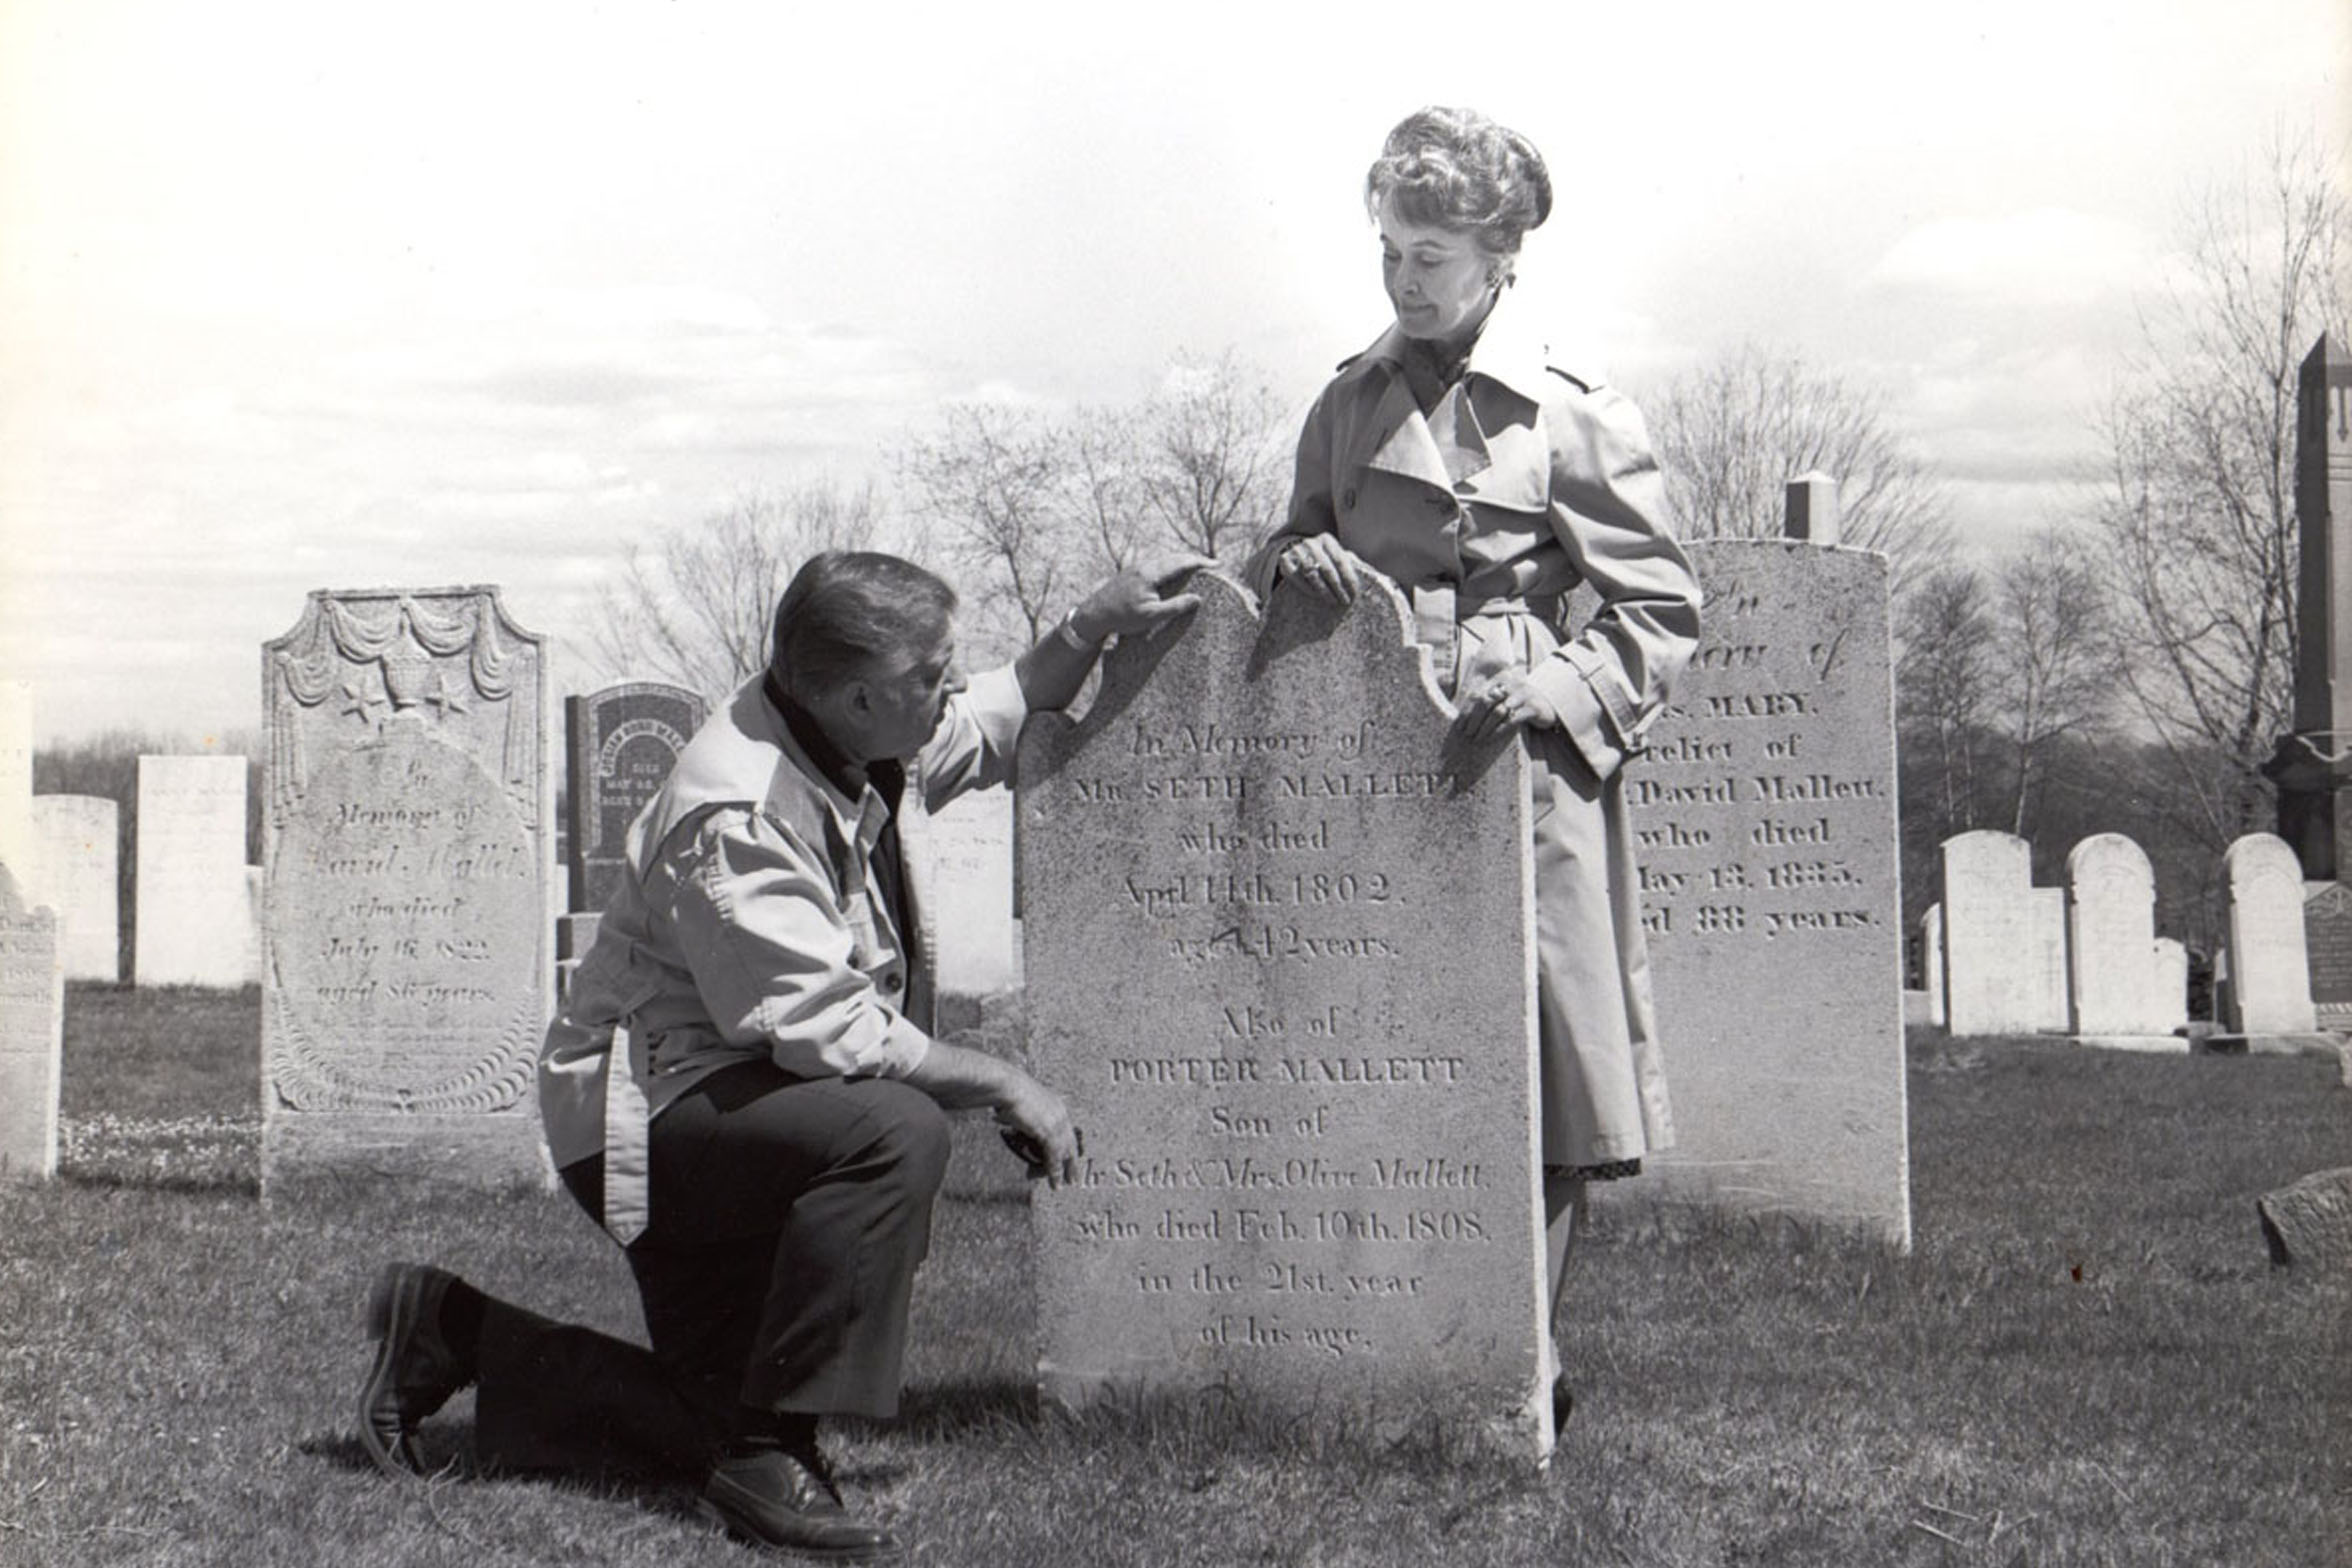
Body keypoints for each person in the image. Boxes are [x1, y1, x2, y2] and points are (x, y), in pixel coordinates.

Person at [357, 549, 1200, 1562]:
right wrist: (1009, 1081)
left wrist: (1090, 623)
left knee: (708, 1418)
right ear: (856, 695)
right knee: (894, 1130)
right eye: (933, 671)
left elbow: (996, 712)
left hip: (729, 1093)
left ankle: (452, 1325)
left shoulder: (842, 733)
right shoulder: (742, 809)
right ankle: (774, 1449)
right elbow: (833, 1031)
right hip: (642, 1117)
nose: (950, 684)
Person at [1244, 106, 1702, 1424]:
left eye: (1431, 254)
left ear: (1501, 260)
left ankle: (1522, 1364)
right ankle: (1389, 1344)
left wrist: (1557, 685)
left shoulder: (1570, 414)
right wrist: (1298, 566)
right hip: (1374, 772)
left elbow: (1660, 609)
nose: (1404, 278)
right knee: (1381, 1065)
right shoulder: (1346, 404)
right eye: (1390, 249)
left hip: (1528, 775)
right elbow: (1280, 553)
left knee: (1544, 1076)